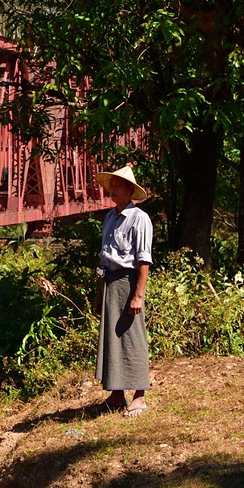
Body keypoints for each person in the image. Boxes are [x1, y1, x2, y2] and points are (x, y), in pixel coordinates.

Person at [94, 164, 153, 416]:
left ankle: (139, 395)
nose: (112, 188)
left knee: (133, 336)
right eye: (111, 184)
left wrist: (138, 295)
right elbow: (104, 258)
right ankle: (117, 395)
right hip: (109, 283)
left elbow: (144, 260)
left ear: (130, 190)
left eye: (117, 185)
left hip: (127, 283)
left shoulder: (140, 219)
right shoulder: (110, 217)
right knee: (112, 337)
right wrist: (99, 293)